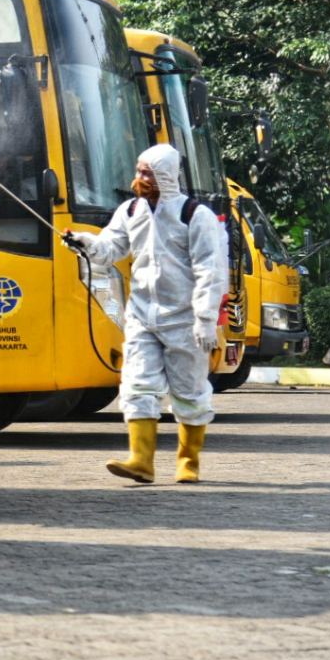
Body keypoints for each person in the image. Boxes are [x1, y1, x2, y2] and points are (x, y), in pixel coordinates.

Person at [63, 143, 228, 483]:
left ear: (165, 176)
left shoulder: (196, 216)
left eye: (146, 173)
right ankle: (140, 460)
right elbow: (111, 249)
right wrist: (86, 243)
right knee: (136, 384)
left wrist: (205, 318)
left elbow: (211, 271)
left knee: (191, 391)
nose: (139, 177)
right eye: (138, 170)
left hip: (186, 320)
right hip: (141, 316)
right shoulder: (130, 210)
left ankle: (188, 463)